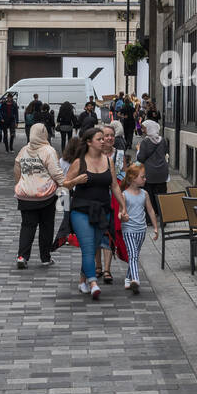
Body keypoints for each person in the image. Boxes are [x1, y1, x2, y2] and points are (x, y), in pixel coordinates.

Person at [63, 126, 126, 300]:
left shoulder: (108, 161)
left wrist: (123, 207)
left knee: (94, 245)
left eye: (104, 138)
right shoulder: (79, 162)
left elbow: (114, 186)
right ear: (89, 142)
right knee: (88, 247)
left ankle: (83, 279)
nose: (104, 141)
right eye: (100, 139)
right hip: (81, 210)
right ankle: (93, 282)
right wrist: (75, 180)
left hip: (102, 210)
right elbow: (65, 183)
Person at [13, 122, 62, 269]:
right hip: (45, 196)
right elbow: (56, 172)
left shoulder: (24, 150)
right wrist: (66, 185)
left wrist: (20, 184)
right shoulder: (48, 150)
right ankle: (45, 257)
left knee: (27, 226)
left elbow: (17, 168)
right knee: (46, 226)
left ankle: (22, 256)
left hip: (25, 196)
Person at [120, 162, 158, 294]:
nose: (145, 179)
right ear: (132, 178)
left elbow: (151, 211)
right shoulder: (124, 195)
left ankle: (128, 278)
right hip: (128, 229)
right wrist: (122, 216)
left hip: (141, 230)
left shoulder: (145, 194)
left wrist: (155, 227)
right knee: (133, 254)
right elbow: (120, 212)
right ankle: (135, 280)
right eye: (143, 177)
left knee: (134, 255)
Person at [94, 123, 124, 284]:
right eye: (106, 136)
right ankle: (97, 266)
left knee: (108, 233)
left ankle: (107, 269)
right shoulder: (92, 156)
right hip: (96, 200)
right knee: (96, 234)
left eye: (112, 135)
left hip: (113, 200)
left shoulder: (119, 154)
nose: (110, 138)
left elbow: (125, 176)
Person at [135, 118, 169, 217]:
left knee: (149, 195)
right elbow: (165, 153)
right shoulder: (162, 140)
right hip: (162, 171)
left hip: (150, 173)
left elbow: (141, 158)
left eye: (144, 128)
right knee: (162, 195)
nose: (143, 130)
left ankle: (150, 218)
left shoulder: (145, 142)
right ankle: (164, 217)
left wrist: (138, 149)